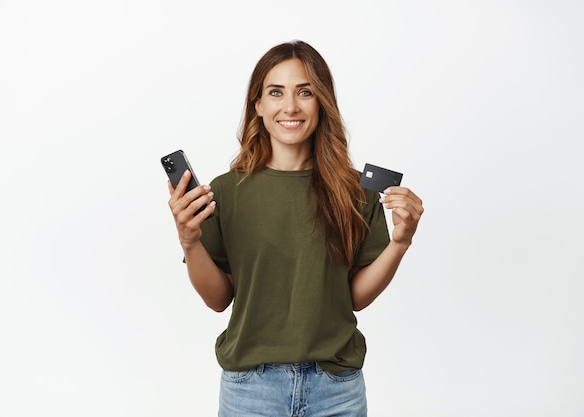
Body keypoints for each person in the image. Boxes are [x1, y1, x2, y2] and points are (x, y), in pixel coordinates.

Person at [167, 40, 424, 417]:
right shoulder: (223, 192)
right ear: (258, 104)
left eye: (305, 92)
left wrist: (400, 243)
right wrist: (190, 242)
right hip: (250, 391)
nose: (290, 106)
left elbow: (354, 297)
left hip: (336, 389)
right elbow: (219, 299)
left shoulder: (357, 192)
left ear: (322, 101)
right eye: (276, 92)